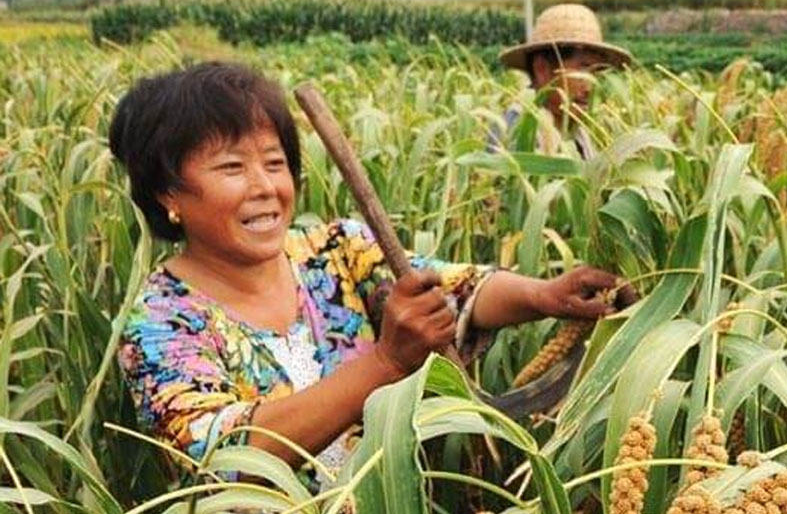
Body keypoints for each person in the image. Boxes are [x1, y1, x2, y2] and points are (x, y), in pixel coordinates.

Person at [112, 62, 625, 490]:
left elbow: (454, 290)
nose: (264, 186)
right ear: (168, 193)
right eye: (231, 168)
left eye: (274, 162)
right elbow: (225, 454)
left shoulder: (335, 251)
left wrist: (547, 295)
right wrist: (384, 363)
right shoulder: (159, 322)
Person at [494, 3, 631, 159]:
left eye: (596, 72)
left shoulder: (577, 130)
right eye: (583, 71)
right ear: (542, 69)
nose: (590, 87)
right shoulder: (516, 132)